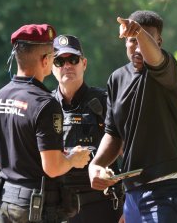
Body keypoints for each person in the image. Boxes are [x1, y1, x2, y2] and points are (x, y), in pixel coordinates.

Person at [88, 10, 177, 223]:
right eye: (131, 41)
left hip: (166, 190)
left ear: (159, 41)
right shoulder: (116, 79)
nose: (137, 47)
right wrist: (96, 165)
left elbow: (154, 57)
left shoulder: (167, 70)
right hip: (133, 192)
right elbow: (113, 133)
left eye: (143, 39)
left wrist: (138, 32)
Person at [0, 24, 91, 223]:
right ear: (45, 60)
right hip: (33, 209)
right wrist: (74, 159)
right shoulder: (45, 104)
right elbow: (53, 168)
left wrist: (21, 158)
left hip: (5, 204)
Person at [51, 34, 123, 222]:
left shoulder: (105, 101)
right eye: (59, 61)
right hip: (59, 207)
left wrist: (129, 205)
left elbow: (129, 152)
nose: (67, 65)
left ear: (84, 63)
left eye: (73, 59)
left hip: (104, 205)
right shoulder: (44, 106)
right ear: (51, 67)